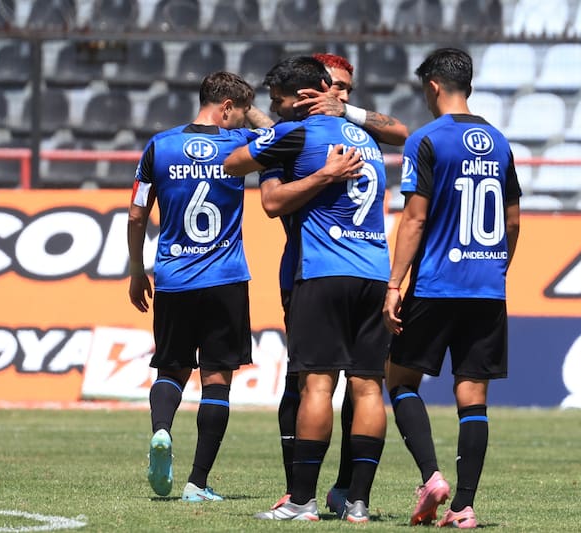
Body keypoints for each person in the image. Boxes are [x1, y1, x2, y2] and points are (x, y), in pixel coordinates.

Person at [224, 56, 392, 523]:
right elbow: (401, 133)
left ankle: (301, 500)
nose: (276, 112)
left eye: (279, 104)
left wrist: (310, 171)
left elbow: (239, 168)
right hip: (375, 272)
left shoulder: (294, 133)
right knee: (369, 389)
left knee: (316, 384)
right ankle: (357, 502)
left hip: (324, 272)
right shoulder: (367, 141)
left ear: (301, 99)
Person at [263, 52, 409, 518]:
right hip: (350, 270)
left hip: (321, 271)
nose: (339, 94)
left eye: (346, 88)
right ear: (316, 88)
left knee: (318, 384)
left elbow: (252, 167)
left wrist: (339, 112)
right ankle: (323, 493)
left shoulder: (343, 128)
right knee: (323, 384)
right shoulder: (312, 130)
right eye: (334, 87)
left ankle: (326, 493)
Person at [382, 47, 521, 528]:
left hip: (438, 283)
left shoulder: (426, 139)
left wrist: (395, 284)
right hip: (486, 286)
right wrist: (498, 267)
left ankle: (430, 477)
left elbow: (415, 219)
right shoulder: (500, 142)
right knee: (472, 395)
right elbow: (512, 218)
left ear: (434, 87)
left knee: (398, 380)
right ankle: (463, 507)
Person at [127, 71, 261, 503]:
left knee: (171, 369)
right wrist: (254, 118)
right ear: (226, 108)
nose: (243, 121)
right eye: (239, 112)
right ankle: (197, 483)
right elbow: (285, 139)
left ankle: (162, 431)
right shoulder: (240, 147)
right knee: (217, 378)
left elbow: (135, 214)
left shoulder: (159, 146)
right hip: (224, 279)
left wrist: (135, 270)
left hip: (174, 277)